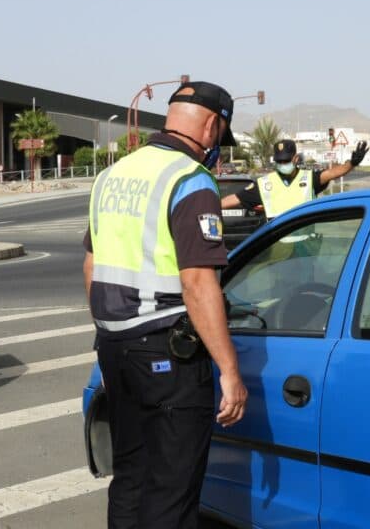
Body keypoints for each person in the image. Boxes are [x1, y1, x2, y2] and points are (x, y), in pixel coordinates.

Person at [83, 81, 248, 529]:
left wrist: (109, 337)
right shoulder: (190, 179)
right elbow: (197, 283)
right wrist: (229, 371)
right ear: (213, 125)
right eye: (219, 136)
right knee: (171, 493)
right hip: (167, 357)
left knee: (130, 479)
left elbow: (92, 267)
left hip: (116, 348)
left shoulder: (112, 176)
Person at [221, 138, 369, 220]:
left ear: (296, 158)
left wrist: (352, 163)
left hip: (306, 247)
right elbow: (233, 199)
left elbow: (333, 173)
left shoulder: (309, 178)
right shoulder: (265, 184)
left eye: (286, 161)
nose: (283, 164)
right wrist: (204, 207)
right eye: (280, 162)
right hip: (277, 245)